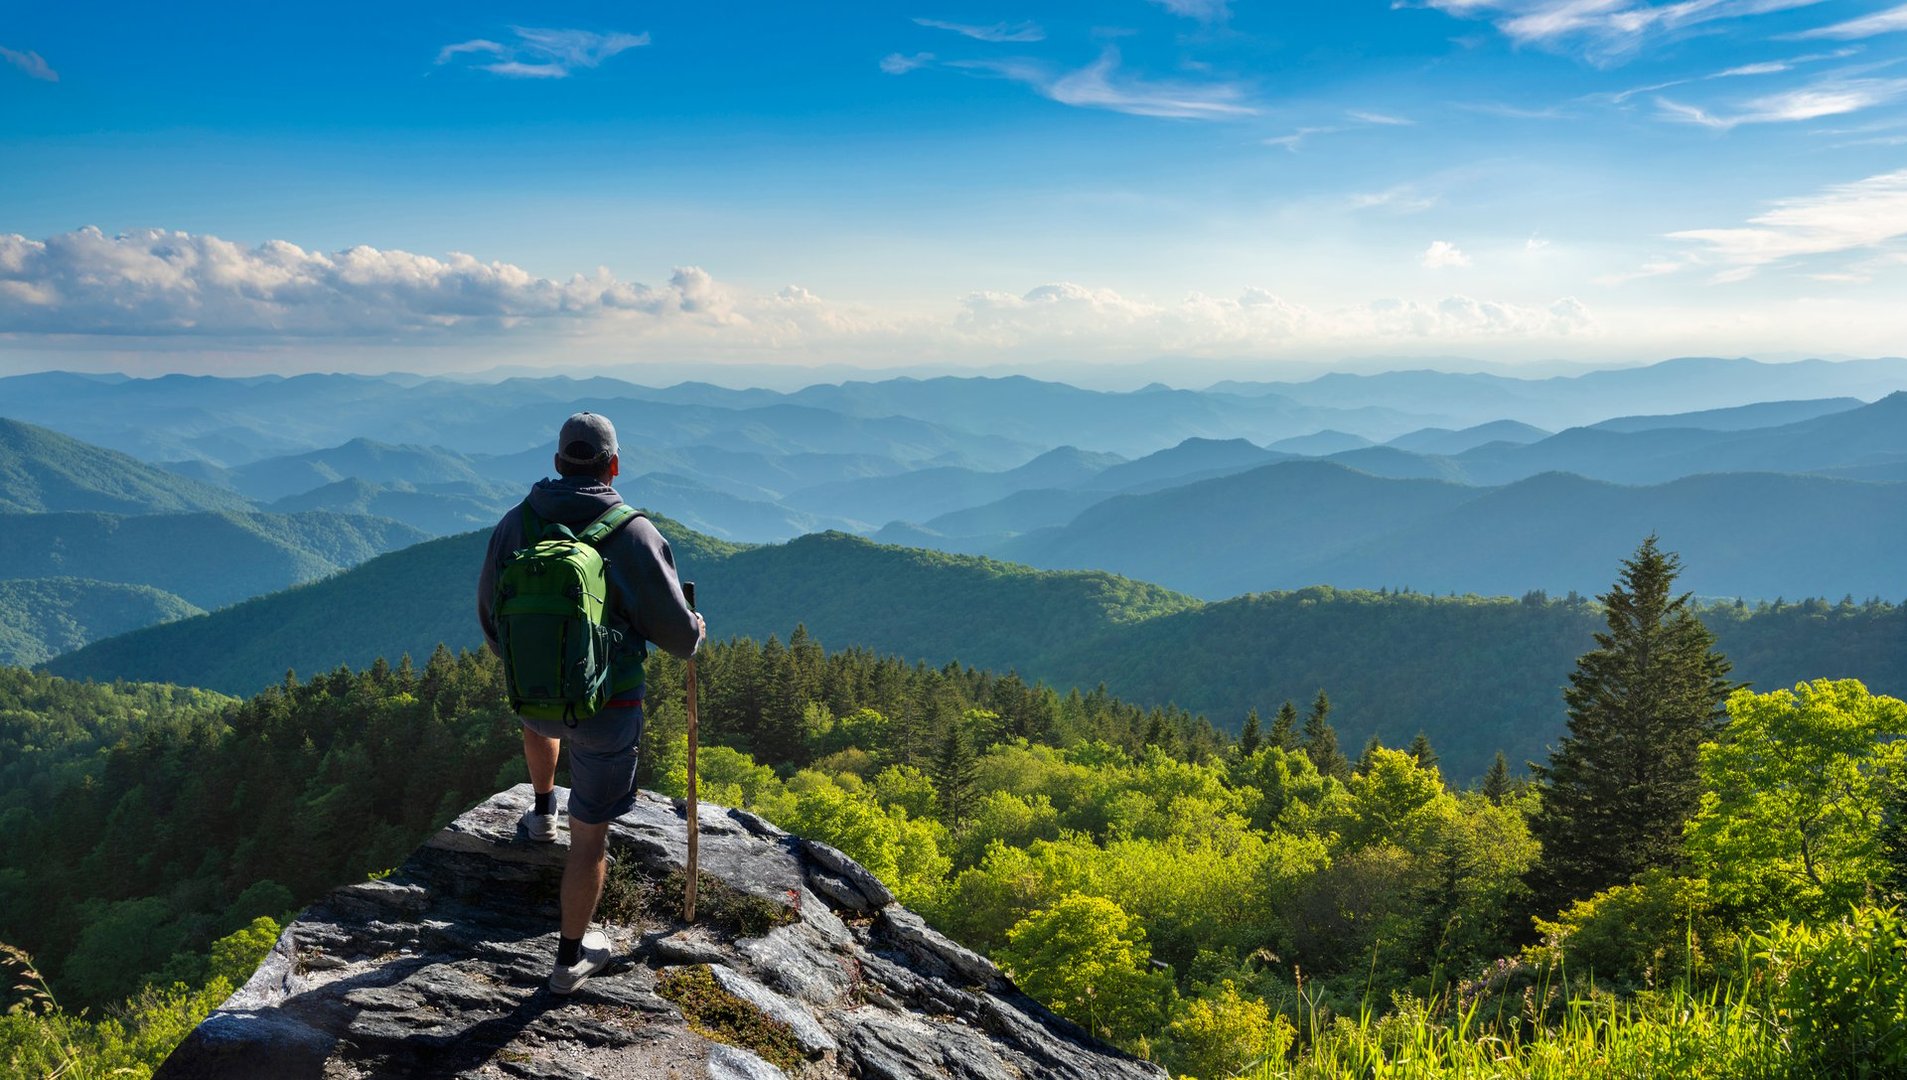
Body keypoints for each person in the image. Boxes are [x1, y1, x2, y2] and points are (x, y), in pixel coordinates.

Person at [477, 411, 705, 994]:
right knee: (592, 839)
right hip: (611, 709)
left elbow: (491, 620)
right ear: (614, 465)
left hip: (533, 698)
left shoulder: (515, 525)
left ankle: (541, 809)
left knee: (541, 715)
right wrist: (696, 627)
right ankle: (568, 961)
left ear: (557, 463)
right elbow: (679, 639)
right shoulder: (633, 534)